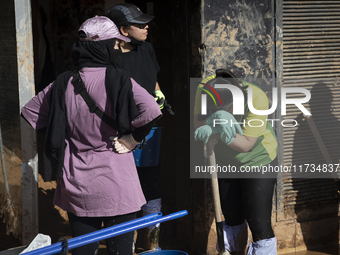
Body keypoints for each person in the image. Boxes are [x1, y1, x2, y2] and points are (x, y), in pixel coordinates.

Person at [21, 16, 162, 255]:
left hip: (77, 185)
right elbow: (152, 110)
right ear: (104, 47)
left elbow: (30, 113)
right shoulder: (120, 79)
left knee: (83, 252)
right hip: (118, 183)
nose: (117, 49)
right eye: (115, 44)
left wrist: (65, 129)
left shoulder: (62, 83)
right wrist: (133, 139)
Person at [194, 69, 278, 255]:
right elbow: (198, 123)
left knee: (259, 225)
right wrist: (213, 121)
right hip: (225, 160)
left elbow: (246, 145)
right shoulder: (207, 89)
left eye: (226, 110)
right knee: (232, 218)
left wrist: (216, 131)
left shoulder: (256, 98)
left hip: (258, 159)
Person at [106, 3, 165, 250]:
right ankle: (124, 246)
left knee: (150, 181)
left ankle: (152, 245)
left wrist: (159, 94)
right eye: (139, 24)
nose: (146, 27)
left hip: (150, 128)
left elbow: (153, 79)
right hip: (120, 132)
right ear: (123, 30)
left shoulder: (147, 49)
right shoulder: (109, 56)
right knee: (122, 188)